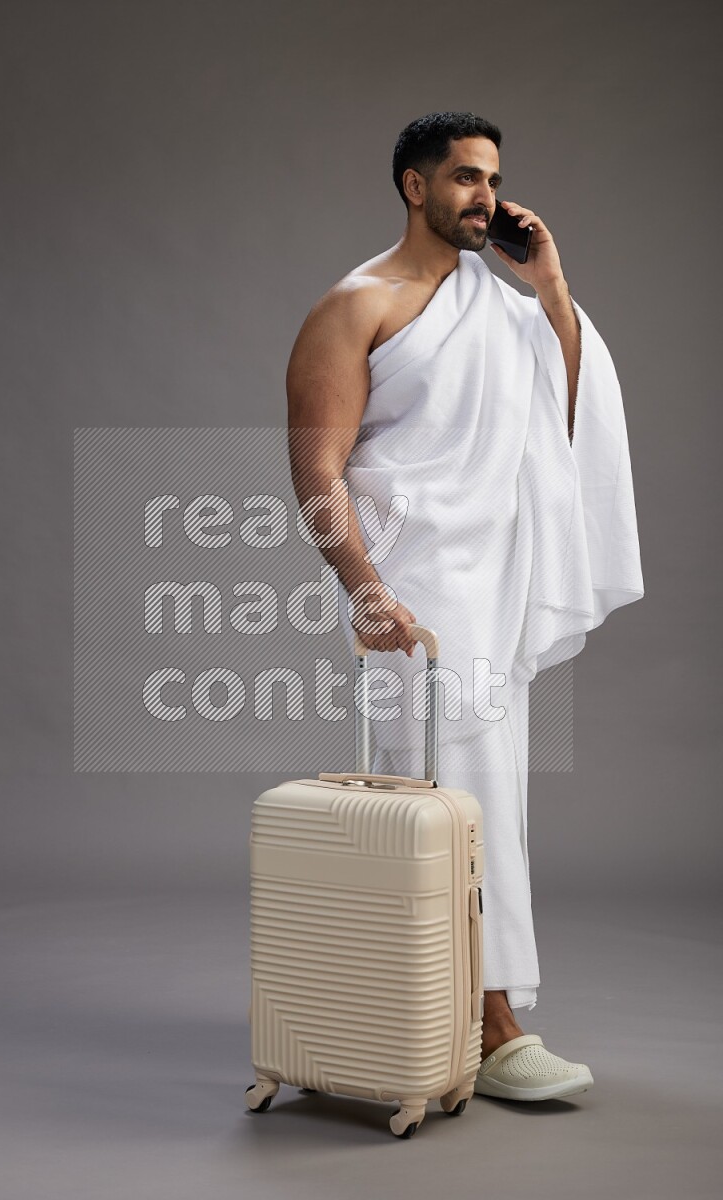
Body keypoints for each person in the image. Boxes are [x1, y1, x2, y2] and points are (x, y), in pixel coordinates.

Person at [286, 111, 643, 1102]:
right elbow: (316, 469)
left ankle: (434, 1009)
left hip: (494, 583)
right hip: (414, 595)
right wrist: (367, 594)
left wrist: (551, 286)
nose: (485, 196)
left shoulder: (507, 304)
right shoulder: (355, 305)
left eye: (491, 179)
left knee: (486, 801)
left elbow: (572, 406)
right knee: (446, 799)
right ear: (413, 185)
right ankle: (490, 1028)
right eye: (463, 178)